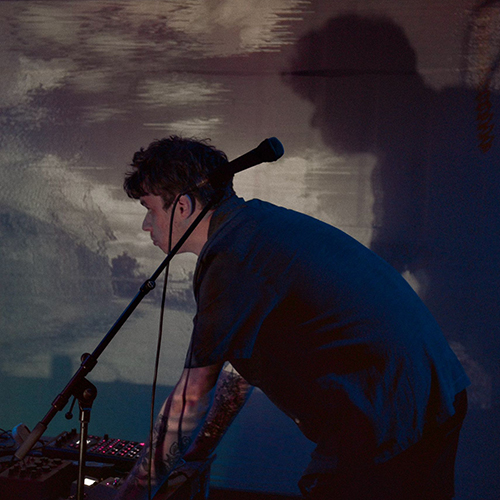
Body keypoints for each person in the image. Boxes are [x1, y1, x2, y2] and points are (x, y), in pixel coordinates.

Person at [116, 136, 469, 500]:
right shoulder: (253, 226)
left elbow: (190, 399)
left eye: (150, 208)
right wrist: (196, 453)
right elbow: (238, 375)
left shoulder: (233, 258)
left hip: (389, 416)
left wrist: (130, 495)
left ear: (183, 206)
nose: (146, 225)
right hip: (433, 396)